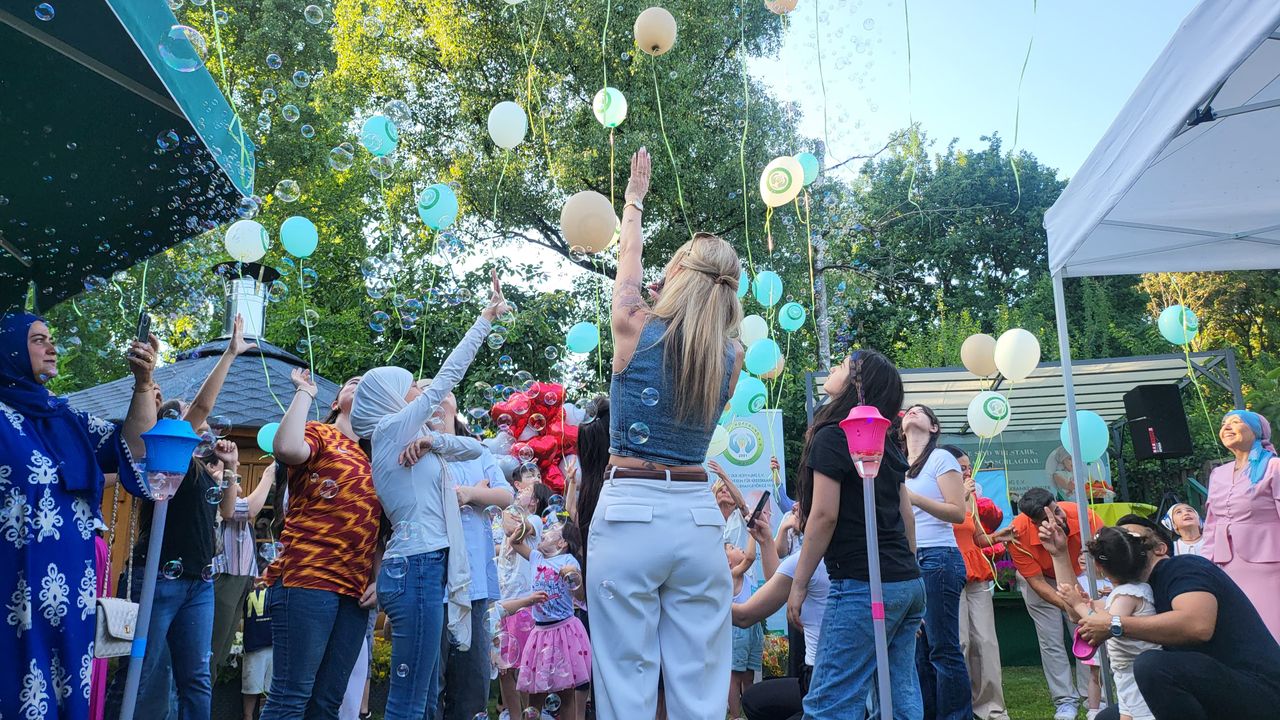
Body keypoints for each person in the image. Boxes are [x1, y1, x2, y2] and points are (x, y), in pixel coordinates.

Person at [588, 147, 746, 720]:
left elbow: (628, 259)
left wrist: (633, 202)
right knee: (700, 687)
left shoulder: (634, 323)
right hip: (699, 518)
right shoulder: (732, 357)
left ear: (677, 271)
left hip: (630, 507)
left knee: (624, 685)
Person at [349, 270, 508, 720]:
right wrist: (484, 320)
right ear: (389, 399)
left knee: (417, 699)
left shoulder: (407, 437)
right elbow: (447, 378)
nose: (421, 392)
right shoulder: (388, 428)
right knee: (409, 701)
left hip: (420, 567)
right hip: (416, 568)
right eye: (410, 388)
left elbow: (474, 447)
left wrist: (435, 441)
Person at [0, 312, 156, 720]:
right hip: (12, 585)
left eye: (51, 338)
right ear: (11, 350)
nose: (51, 347)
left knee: (68, 687)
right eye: (37, 340)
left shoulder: (65, 418)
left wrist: (143, 385)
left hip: (72, 588)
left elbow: (135, 446)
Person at [788, 349, 925, 719]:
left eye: (842, 365)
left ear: (856, 384)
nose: (832, 369)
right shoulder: (886, 442)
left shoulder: (833, 436)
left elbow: (823, 516)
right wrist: (907, 576)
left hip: (863, 583)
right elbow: (906, 515)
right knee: (899, 693)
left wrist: (798, 584)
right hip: (905, 582)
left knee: (830, 703)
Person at [1056, 514, 1280, 720]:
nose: (1122, 543)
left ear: (1160, 548)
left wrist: (1115, 624)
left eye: (1131, 537)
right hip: (1202, 689)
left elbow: (1198, 626)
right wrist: (1059, 553)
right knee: (1108, 717)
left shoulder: (1183, 567)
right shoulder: (1137, 590)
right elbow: (1083, 614)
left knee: (1153, 666)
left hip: (1259, 692)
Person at [260, 368, 380, 720]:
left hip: (355, 591)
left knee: (327, 703)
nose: (362, 388)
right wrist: (305, 393)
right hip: (307, 578)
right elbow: (285, 448)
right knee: (290, 696)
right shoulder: (320, 433)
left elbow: (377, 531)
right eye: (354, 383)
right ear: (336, 402)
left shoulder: (376, 459)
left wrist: (379, 578)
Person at [432, 396, 514, 720]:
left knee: (472, 689)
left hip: (475, 587)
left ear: (454, 405)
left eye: (443, 393)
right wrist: (477, 493)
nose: (436, 398)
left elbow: (505, 495)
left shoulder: (477, 450)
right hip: (433, 585)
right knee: (430, 690)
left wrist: (469, 493)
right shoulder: (420, 450)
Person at [1007, 487, 1103, 720]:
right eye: (1047, 518)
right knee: (1051, 640)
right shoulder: (1018, 532)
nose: (1057, 519)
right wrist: (1071, 606)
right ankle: (1064, 701)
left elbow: (1103, 557)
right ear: (1033, 522)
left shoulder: (1086, 516)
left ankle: (1092, 699)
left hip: (1080, 576)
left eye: (1057, 511)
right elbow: (1037, 582)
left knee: (1086, 635)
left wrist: (1081, 603)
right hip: (1042, 580)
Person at [900, 405, 970, 720]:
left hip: (938, 557)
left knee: (942, 649)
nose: (912, 413)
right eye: (908, 411)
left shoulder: (940, 458)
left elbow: (958, 512)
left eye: (920, 411)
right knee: (916, 652)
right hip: (907, 562)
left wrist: (913, 498)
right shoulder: (897, 464)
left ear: (934, 427)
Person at [1057, 526, 1158, 720]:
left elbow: (1104, 624)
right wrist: (1088, 603)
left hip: (1136, 674)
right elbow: (1106, 611)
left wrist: (1078, 604)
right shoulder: (1131, 591)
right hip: (1126, 672)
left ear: (1099, 566)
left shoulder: (1127, 595)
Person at [942, 446, 1009, 720]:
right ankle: (961, 708)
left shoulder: (972, 499)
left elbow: (977, 538)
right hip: (948, 569)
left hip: (976, 572)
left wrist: (999, 537)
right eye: (960, 467)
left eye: (968, 467)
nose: (967, 472)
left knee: (986, 642)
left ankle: (992, 710)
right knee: (959, 642)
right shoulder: (936, 496)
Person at [734, 509, 820, 720]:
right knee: (755, 698)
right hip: (831, 679)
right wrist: (765, 541)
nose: (794, 508)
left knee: (756, 702)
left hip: (821, 682)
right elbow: (778, 583)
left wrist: (701, 600)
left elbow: (745, 616)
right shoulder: (850, 555)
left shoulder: (807, 559)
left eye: (801, 503)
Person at [1202, 410, 1280, 641]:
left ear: (1257, 432)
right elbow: (1211, 523)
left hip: (1270, 565)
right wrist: (1205, 564)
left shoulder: (1274, 466)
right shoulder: (1218, 473)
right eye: (1224, 423)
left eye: (1235, 422)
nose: (1227, 427)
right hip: (1225, 565)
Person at [512, 520, 591, 718]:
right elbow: (514, 543)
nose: (544, 532)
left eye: (551, 531)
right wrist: (522, 527)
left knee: (565, 694)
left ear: (562, 543)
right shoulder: (536, 557)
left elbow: (580, 596)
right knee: (535, 693)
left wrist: (572, 576)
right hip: (540, 634)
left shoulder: (569, 562)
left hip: (564, 632)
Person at [213, 461, 277, 675]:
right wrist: (268, 475)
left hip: (240, 579)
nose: (237, 471)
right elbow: (250, 509)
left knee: (221, 649)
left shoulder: (231, 499)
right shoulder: (222, 501)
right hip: (225, 578)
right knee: (213, 646)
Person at [727, 532, 761, 720]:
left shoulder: (747, 576)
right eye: (731, 548)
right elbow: (749, 557)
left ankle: (753, 710)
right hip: (739, 632)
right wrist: (752, 532)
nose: (737, 547)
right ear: (728, 563)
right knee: (736, 674)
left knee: (749, 675)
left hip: (753, 630)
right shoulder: (731, 574)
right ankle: (735, 715)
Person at [241, 583, 273, 720]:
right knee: (251, 687)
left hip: (275, 644)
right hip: (254, 645)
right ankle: (247, 716)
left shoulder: (277, 585)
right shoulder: (247, 585)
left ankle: (265, 715)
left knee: (272, 688)